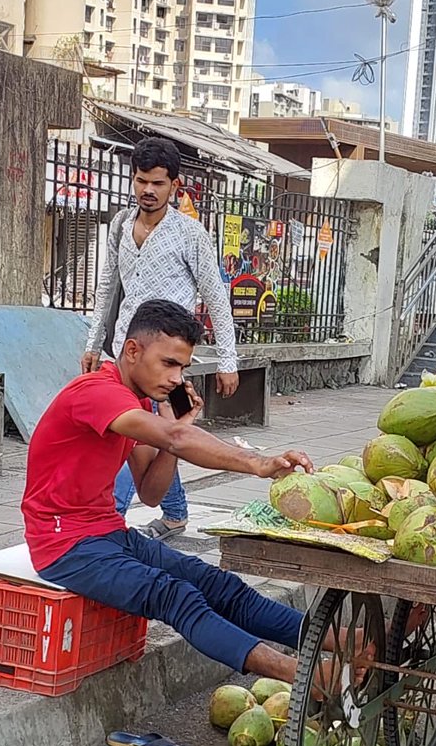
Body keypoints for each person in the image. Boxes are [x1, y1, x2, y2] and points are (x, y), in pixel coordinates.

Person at [23, 300, 312, 717]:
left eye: (183, 368)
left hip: (107, 533)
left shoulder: (136, 405)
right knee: (174, 594)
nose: (177, 378)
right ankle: (297, 672)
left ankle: (335, 641)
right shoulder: (96, 392)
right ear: (133, 352)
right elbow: (173, 440)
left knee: (217, 584)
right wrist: (255, 463)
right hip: (63, 546)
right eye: (169, 364)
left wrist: (185, 422)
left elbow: (152, 492)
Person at [83, 137, 239, 543]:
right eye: (140, 181)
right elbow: (106, 289)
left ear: (175, 185)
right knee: (130, 437)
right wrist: (92, 342)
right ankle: (164, 516)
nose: (148, 190)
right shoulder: (119, 225)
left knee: (162, 437)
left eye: (158, 183)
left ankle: (115, 522)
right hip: (125, 354)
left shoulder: (190, 234)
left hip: (167, 360)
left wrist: (228, 360)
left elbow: (216, 297)